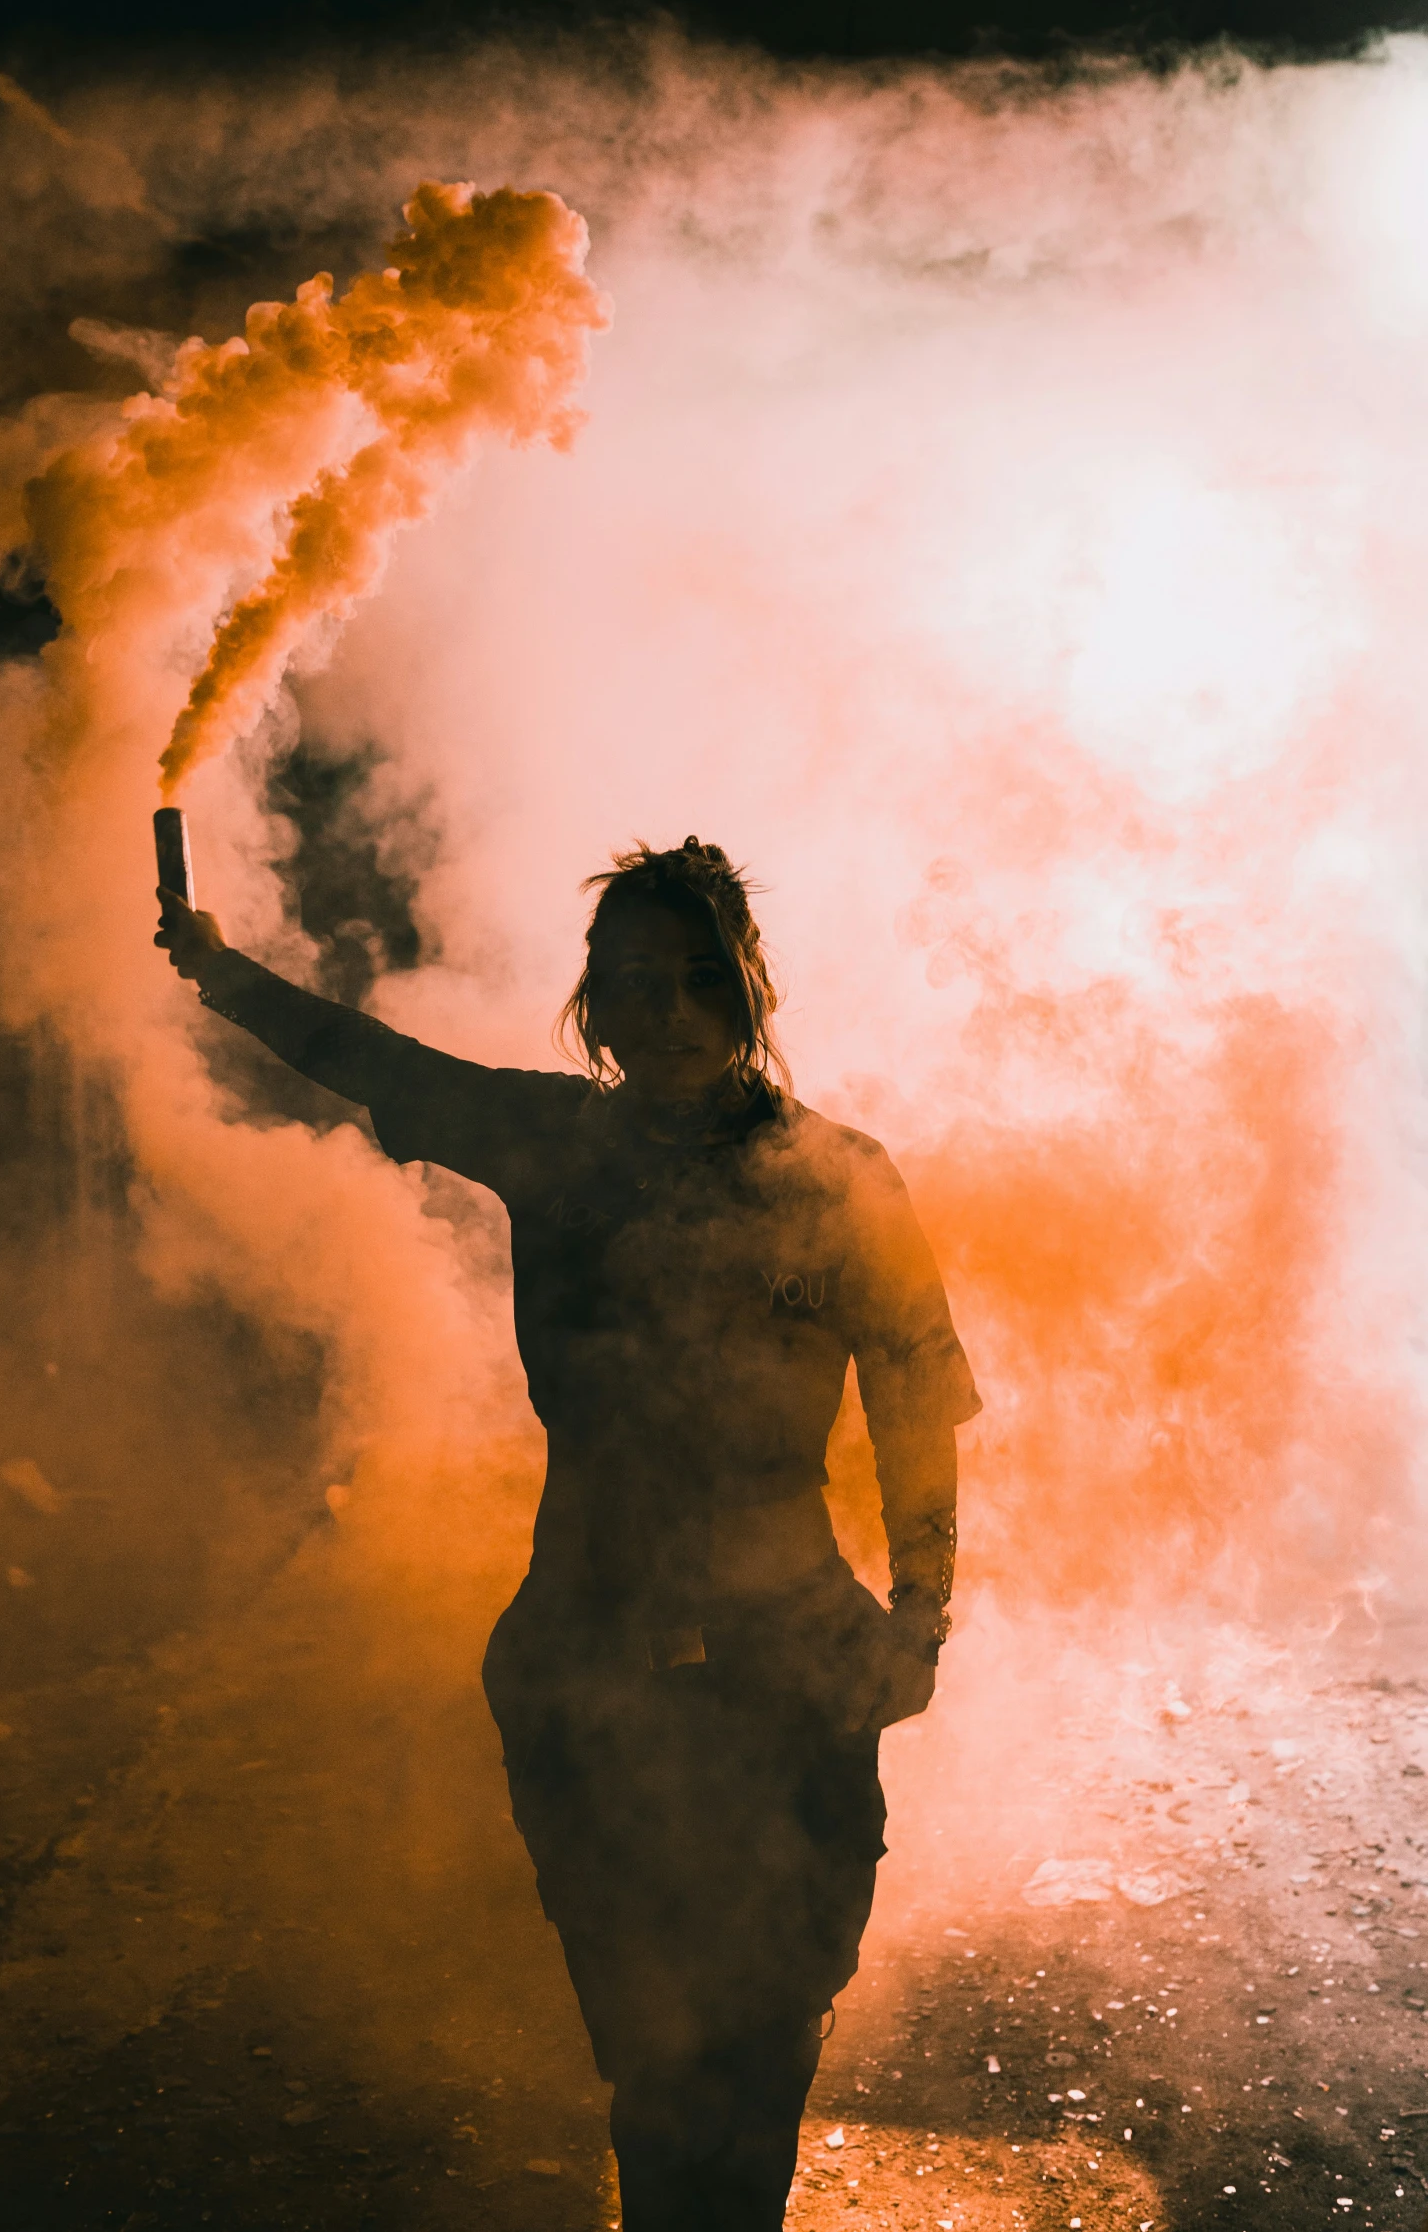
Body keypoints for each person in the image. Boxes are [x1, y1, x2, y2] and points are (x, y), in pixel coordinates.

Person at [155, 834, 979, 2231]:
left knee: (771, 2018)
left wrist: (922, 1612)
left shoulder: (841, 1178)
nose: (655, 1014)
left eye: (688, 982)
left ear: (746, 993)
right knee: (654, 2050)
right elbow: (376, 1062)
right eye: (624, 981)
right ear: (588, 1003)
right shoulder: (557, 1142)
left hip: (790, 1658)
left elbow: (915, 1396)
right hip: (588, 1655)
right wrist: (222, 973)